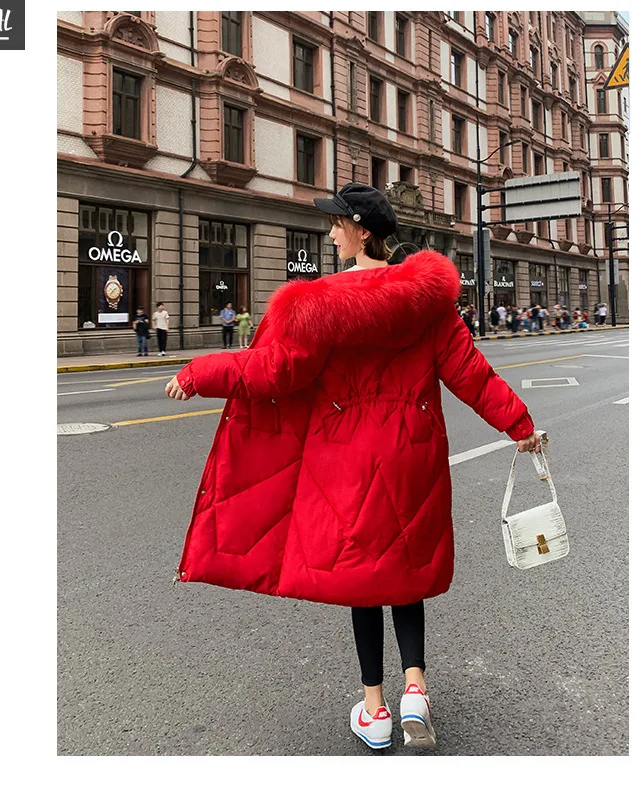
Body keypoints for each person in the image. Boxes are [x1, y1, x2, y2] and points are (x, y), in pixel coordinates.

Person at [164, 182, 541, 752]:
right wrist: (519, 424)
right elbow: (470, 373)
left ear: (362, 230)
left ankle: (375, 709)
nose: (331, 232)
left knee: (362, 578)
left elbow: (274, 370)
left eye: (338, 224)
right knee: (405, 569)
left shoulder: (320, 303)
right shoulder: (427, 300)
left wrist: (200, 373)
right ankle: (416, 690)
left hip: (344, 461)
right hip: (412, 452)